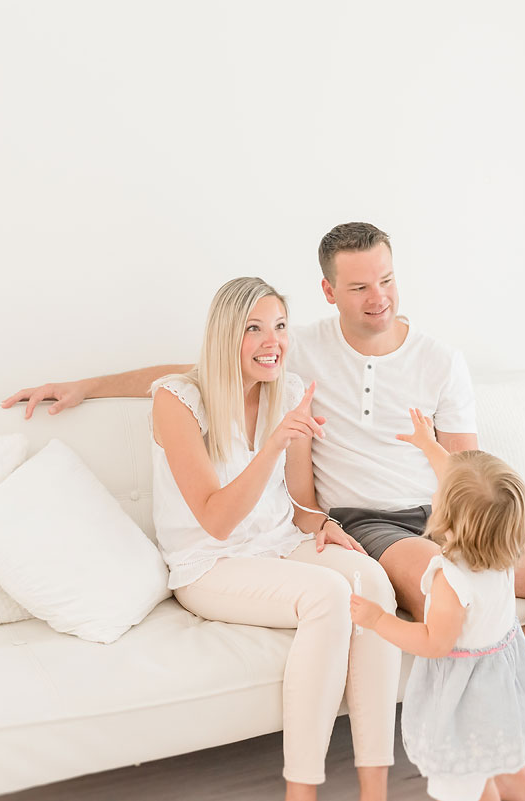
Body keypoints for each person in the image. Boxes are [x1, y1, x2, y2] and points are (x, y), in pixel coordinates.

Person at [2, 222, 525, 801]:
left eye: (388, 280)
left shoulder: (438, 361)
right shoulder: (298, 354)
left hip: (443, 514)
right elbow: (196, 375)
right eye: (360, 287)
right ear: (330, 292)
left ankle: (512, 745)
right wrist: (87, 385)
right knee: (458, 592)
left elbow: (469, 476)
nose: (380, 299)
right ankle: (505, 763)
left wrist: (453, 503)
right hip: (369, 521)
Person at [146, 276, 399, 801]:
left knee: (370, 582)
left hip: (279, 544)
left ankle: (375, 789)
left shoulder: (287, 391)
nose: (273, 341)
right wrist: (275, 443)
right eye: (254, 328)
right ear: (225, 336)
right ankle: (300, 793)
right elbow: (216, 521)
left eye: (280, 326)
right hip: (210, 565)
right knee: (327, 595)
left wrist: (324, 524)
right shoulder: (177, 401)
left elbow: (301, 504)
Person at [351, 409, 525, 801]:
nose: (433, 497)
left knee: (457, 788)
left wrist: (378, 620)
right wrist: (429, 446)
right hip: (499, 694)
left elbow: (433, 642)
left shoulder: (451, 580)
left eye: (437, 498)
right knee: (483, 775)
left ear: (450, 521)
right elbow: (462, 486)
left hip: (464, 705)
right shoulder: (502, 557)